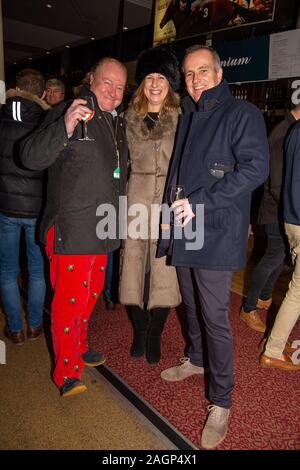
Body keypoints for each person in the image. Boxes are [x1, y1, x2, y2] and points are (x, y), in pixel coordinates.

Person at [157, 45, 269, 449]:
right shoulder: (189, 114)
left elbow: (256, 168)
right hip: (186, 228)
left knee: (214, 316)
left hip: (217, 229)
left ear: (219, 74)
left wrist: (200, 202)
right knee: (190, 304)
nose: (195, 79)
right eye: (188, 74)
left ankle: (221, 399)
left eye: (202, 71)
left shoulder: (242, 114)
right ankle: (197, 359)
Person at [21, 58, 128, 396]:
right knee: (69, 301)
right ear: (91, 79)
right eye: (106, 82)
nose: (112, 91)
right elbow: (30, 156)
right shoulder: (71, 110)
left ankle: (79, 346)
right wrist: (63, 127)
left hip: (102, 229)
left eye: (120, 87)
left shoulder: (116, 123)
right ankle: (66, 373)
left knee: (88, 297)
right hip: (71, 227)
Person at [119, 46, 181, 364]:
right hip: (134, 202)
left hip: (170, 205)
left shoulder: (183, 119)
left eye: (161, 77)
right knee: (131, 269)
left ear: (170, 83)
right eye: (149, 77)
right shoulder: (127, 119)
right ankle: (139, 330)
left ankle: (155, 334)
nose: (155, 83)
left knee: (165, 272)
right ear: (142, 82)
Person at [240, 105, 300, 332]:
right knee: (274, 255)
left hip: (282, 207)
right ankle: (248, 308)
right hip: (276, 209)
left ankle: (263, 297)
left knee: (280, 255)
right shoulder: (283, 131)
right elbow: (275, 181)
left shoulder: (288, 128)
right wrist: (290, 209)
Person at [0, 68, 49, 345]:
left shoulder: (1, 116)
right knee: (36, 270)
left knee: (7, 270)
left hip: (4, 206)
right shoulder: (46, 121)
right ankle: (34, 326)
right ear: (42, 93)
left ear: (16, 87)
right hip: (36, 210)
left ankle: (15, 329)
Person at [259, 117, 300, 371]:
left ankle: (277, 339)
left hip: (291, 218)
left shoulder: (295, 129)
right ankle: (273, 349)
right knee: (297, 292)